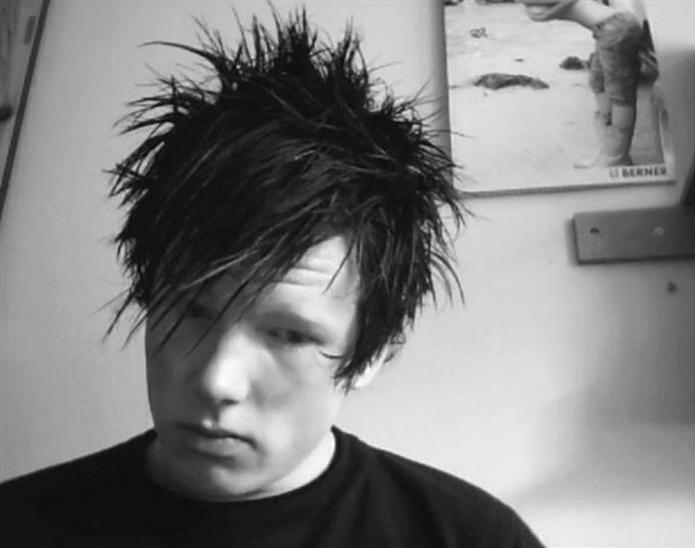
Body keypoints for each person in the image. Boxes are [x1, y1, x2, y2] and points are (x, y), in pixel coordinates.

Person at [0, 9, 544, 548]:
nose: (218, 381)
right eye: (190, 310)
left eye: (289, 335)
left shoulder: (472, 538)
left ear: (373, 354)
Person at [521, 0, 644, 167]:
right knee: (597, 83)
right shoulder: (534, 8)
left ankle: (618, 159)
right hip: (608, 27)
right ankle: (608, 149)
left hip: (616, 27)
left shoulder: (537, 8)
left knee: (620, 95)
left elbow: (543, 11)